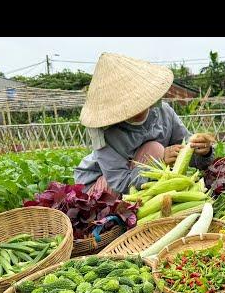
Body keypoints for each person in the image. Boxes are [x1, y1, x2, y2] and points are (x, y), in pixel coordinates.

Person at [74, 53, 216, 196]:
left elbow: (186, 153)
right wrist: (159, 161)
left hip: (139, 178)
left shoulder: (164, 112)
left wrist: (203, 151)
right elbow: (120, 183)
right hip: (103, 184)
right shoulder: (105, 131)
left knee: (156, 156)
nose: (137, 108)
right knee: (154, 150)